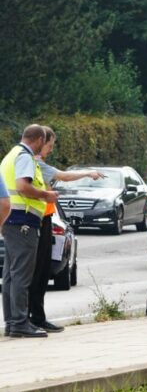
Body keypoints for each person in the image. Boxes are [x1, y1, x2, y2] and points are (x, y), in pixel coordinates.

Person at [28, 126, 104, 333]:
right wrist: (89, 173)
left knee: (43, 271)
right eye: (50, 145)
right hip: (38, 220)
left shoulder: (37, 164)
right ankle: (33, 318)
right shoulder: (35, 164)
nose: (51, 150)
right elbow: (63, 176)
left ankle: (37, 317)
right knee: (37, 272)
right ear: (41, 142)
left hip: (45, 219)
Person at [0, 125, 58, 338]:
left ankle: (12, 322)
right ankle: (20, 323)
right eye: (45, 142)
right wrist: (46, 195)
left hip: (10, 220)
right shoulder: (24, 157)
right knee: (22, 275)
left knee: (11, 275)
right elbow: (23, 186)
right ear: (40, 139)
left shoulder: (11, 155)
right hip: (23, 220)